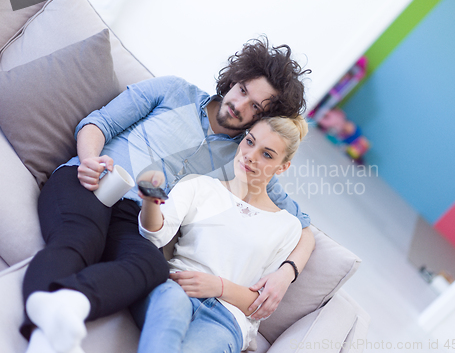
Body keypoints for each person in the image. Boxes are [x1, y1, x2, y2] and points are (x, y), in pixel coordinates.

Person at [21, 37, 315, 353]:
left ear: (264, 118)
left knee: (153, 267)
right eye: (243, 90)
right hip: (91, 184)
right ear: (234, 79)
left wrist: (287, 273)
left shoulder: (247, 155)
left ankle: (66, 308)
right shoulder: (173, 91)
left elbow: (304, 228)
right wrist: (90, 159)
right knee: (81, 239)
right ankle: (44, 323)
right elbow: (98, 123)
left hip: (134, 218)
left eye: (256, 106)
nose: (240, 105)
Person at [135, 116, 308, 352]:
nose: (250, 155)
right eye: (249, 142)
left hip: (227, 319)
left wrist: (219, 286)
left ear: (283, 167)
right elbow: (156, 235)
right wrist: (150, 201)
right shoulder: (198, 186)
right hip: (175, 289)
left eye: (267, 154)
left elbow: (258, 306)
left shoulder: (288, 226)